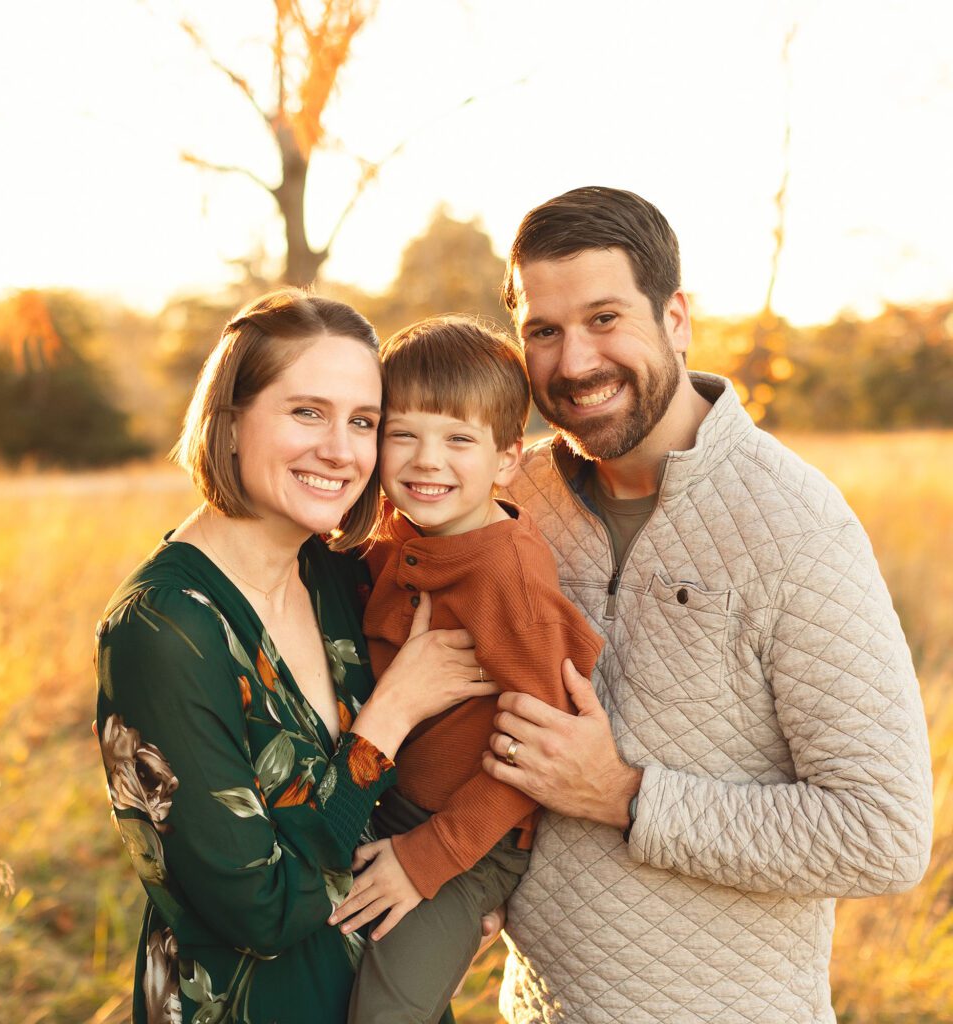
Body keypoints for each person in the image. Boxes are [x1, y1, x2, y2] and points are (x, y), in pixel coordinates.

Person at [480, 186, 934, 1023]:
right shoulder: (514, 494)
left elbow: (883, 834)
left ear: (676, 318)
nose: (575, 363)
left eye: (605, 318)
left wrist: (622, 793)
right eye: (544, 330)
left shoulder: (795, 524)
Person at [94, 291, 497, 1024]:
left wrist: (452, 893)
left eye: (364, 422)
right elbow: (264, 912)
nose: (342, 451)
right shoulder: (162, 630)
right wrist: (394, 711)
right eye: (306, 412)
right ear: (231, 419)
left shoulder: (339, 575)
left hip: (387, 992)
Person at [328, 316, 603, 1024]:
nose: (427, 461)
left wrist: (428, 858)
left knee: (385, 1014)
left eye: (458, 439)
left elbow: (533, 764)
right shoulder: (398, 534)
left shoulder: (506, 575)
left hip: (468, 841)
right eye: (404, 435)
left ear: (507, 459)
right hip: (387, 802)